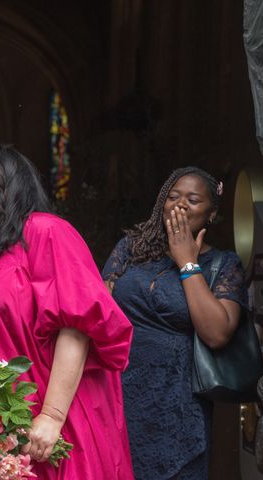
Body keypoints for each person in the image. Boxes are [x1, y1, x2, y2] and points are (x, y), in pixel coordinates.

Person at [0, 142, 135, 479]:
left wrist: (51, 416)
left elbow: (77, 324)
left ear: (8, 176)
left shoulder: (45, 232)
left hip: (41, 432)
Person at [102, 166, 248, 479]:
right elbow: (100, 313)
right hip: (119, 392)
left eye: (193, 200)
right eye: (173, 197)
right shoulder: (130, 250)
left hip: (176, 407)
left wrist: (187, 262)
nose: (180, 205)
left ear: (211, 214)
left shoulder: (224, 265)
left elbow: (217, 333)